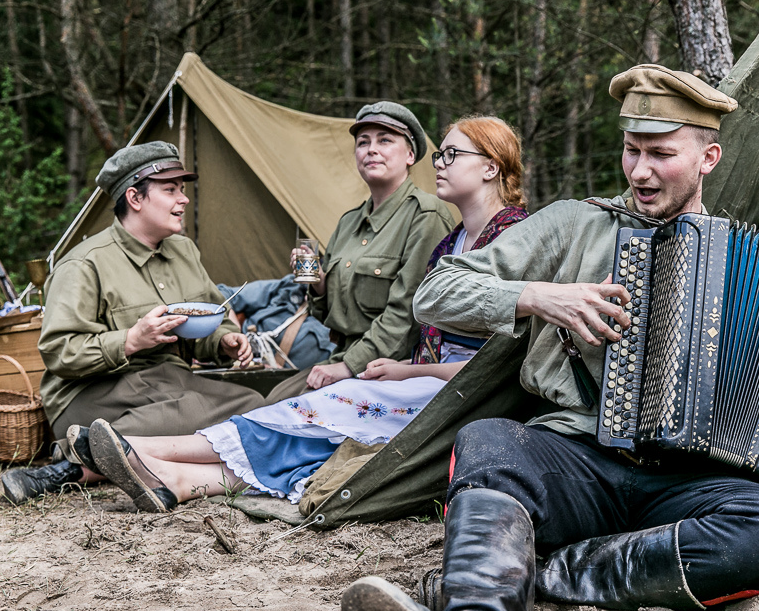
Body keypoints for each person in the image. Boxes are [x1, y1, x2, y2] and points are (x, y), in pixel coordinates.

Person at [339, 65, 759, 611]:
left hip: (688, 485)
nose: (640, 171)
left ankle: (540, 573)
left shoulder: (751, 262)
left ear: (708, 158)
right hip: (575, 463)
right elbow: (436, 293)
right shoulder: (575, 224)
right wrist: (538, 296)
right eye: (631, 150)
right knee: (488, 443)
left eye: (661, 154)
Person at [78, 117, 528, 513]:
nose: (440, 163)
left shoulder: (500, 238)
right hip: (385, 366)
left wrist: (377, 368)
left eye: (451, 154)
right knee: (298, 416)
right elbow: (339, 312)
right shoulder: (432, 237)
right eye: (363, 141)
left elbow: (443, 336)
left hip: (419, 376)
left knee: (304, 413)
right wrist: (317, 287)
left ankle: (138, 452)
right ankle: (175, 477)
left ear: (490, 167)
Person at [0, 142, 266, 504]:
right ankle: (80, 457)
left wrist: (224, 340)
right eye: (170, 190)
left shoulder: (184, 251)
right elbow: (60, 352)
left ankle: (86, 457)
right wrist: (130, 340)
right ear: (135, 198)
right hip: (92, 392)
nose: (183, 199)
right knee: (195, 408)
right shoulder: (84, 264)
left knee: (252, 404)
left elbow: (208, 317)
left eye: (182, 189)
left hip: (168, 384)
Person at [265, 101, 455, 400]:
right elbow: (328, 316)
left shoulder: (426, 215)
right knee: (270, 400)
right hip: (343, 359)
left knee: (280, 412)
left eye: (385, 140)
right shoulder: (349, 222)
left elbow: (408, 314)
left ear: (410, 155)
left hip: (393, 370)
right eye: (363, 142)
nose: (371, 150)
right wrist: (318, 283)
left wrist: (347, 366)